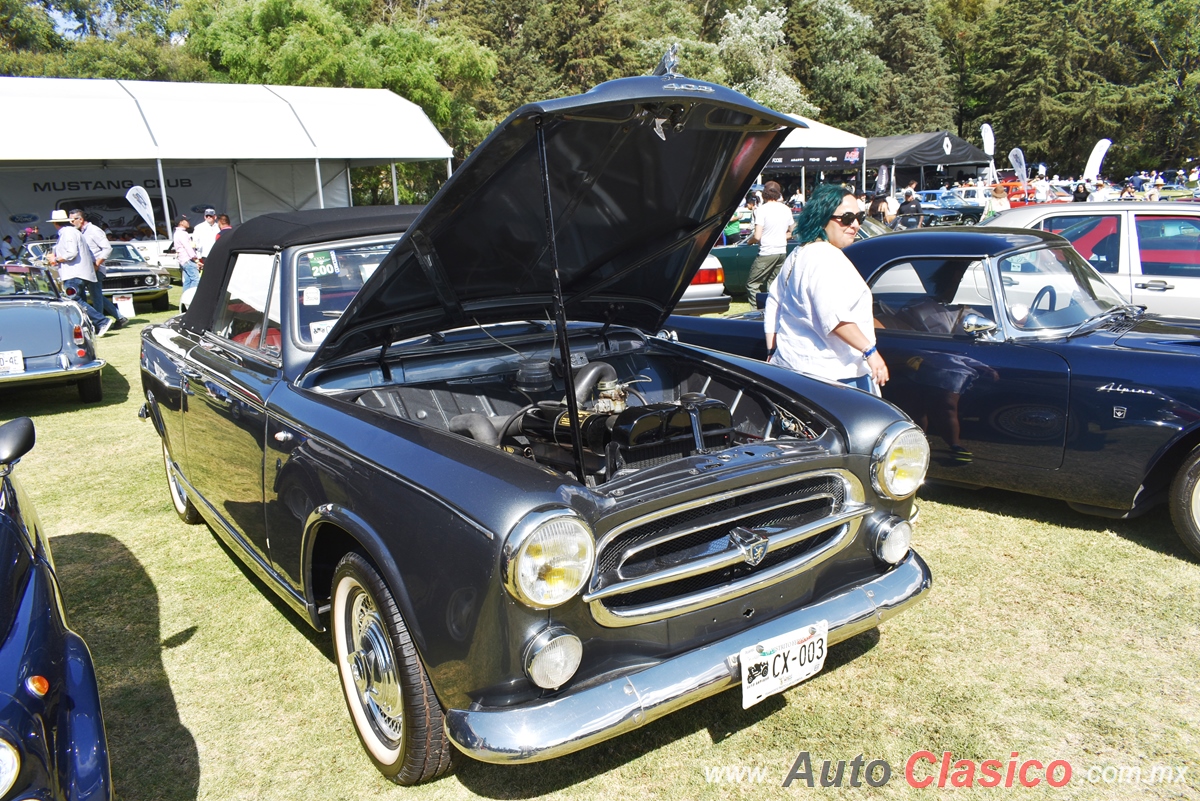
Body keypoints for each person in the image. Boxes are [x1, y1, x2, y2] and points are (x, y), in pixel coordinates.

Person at [763, 183, 888, 393]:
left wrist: (772, 348)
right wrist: (870, 352)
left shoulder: (799, 254)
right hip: (835, 377)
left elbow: (774, 301)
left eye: (860, 218)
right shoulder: (826, 258)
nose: (855, 225)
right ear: (822, 218)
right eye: (847, 218)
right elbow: (835, 317)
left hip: (794, 368)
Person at [45, 210, 111, 335]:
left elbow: (71, 253)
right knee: (79, 300)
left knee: (73, 299)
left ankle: (101, 321)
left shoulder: (68, 233)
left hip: (74, 273)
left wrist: (56, 258)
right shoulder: (72, 232)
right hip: (77, 272)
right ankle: (90, 326)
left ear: (55, 223)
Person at [70, 209, 128, 330]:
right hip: (87, 269)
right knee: (96, 296)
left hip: (95, 268)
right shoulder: (81, 232)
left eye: (73, 220)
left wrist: (97, 263)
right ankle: (119, 318)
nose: (71, 222)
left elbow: (107, 248)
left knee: (95, 297)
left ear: (80, 219)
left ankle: (100, 324)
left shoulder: (94, 230)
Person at [744, 181, 794, 298]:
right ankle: (773, 310)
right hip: (781, 251)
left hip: (767, 252)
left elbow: (757, 236)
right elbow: (794, 231)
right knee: (774, 284)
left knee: (752, 284)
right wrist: (780, 236)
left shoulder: (761, 210)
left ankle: (757, 312)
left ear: (764, 194)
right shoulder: (786, 209)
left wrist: (749, 242)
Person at [173, 216, 201, 292]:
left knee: (187, 281)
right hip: (188, 259)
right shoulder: (182, 233)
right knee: (196, 279)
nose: (188, 222)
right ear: (181, 222)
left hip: (183, 260)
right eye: (186, 221)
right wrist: (196, 259)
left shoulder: (177, 233)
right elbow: (188, 247)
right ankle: (191, 299)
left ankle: (185, 299)